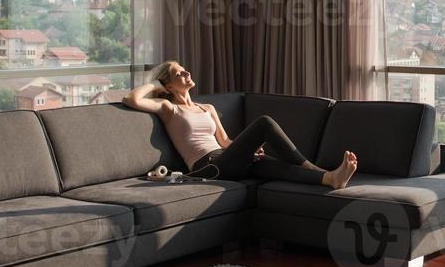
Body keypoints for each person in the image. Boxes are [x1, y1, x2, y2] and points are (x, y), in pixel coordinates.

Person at [123, 60, 357, 188]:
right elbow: (131, 99)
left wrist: (248, 149)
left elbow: (225, 142)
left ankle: (330, 179)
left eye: (186, 70)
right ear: (169, 85)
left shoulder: (208, 108)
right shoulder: (169, 109)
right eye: (180, 73)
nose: (187, 73)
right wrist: (155, 85)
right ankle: (314, 168)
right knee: (264, 123)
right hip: (209, 166)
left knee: (273, 166)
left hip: (227, 158)